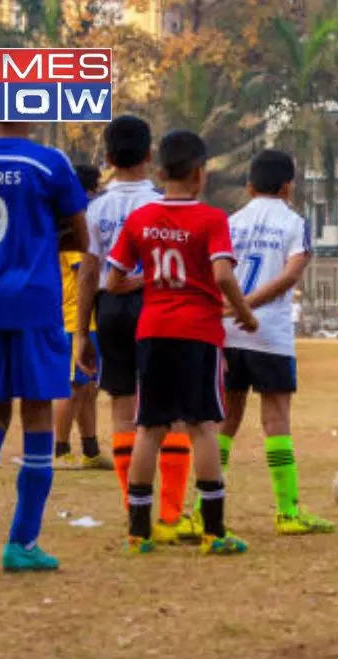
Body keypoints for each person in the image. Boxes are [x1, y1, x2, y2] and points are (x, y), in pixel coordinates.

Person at [89, 129, 259, 555]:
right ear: (200, 174)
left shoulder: (141, 219)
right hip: (197, 332)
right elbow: (221, 274)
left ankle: (138, 533)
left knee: (149, 427)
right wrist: (243, 311)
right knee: (203, 425)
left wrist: (156, 279)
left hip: (152, 330)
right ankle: (213, 532)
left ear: (160, 170)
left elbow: (112, 279)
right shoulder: (211, 219)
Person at [0, 120, 90, 577]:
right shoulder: (49, 162)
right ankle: (23, 542)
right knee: (35, 414)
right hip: (34, 299)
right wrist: (43, 240)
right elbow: (82, 237)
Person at [74, 115, 198, 545]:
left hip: (109, 311)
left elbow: (88, 273)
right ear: (150, 156)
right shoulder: (164, 204)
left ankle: (135, 512)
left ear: (108, 158)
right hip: (158, 304)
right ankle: (170, 513)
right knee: (174, 410)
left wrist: (79, 332)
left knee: (122, 408)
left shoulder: (96, 208)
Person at [217, 149, 333, 535]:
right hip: (269, 333)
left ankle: (204, 509)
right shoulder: (294, 222)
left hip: (227, 331)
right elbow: (289, 276)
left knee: (226, 421)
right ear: (288, 186)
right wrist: (248, 307)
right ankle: (287, 511)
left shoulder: (230, 222)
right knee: (276, 421)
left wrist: (233, 308)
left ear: (249, 185)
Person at [53, 163, 113, 471]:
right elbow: (85, 271)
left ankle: (90, 449)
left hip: (91, 319)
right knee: (74, 387)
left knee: (88, 388)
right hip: (75, 319)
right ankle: (60, 451)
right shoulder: (73, 227)